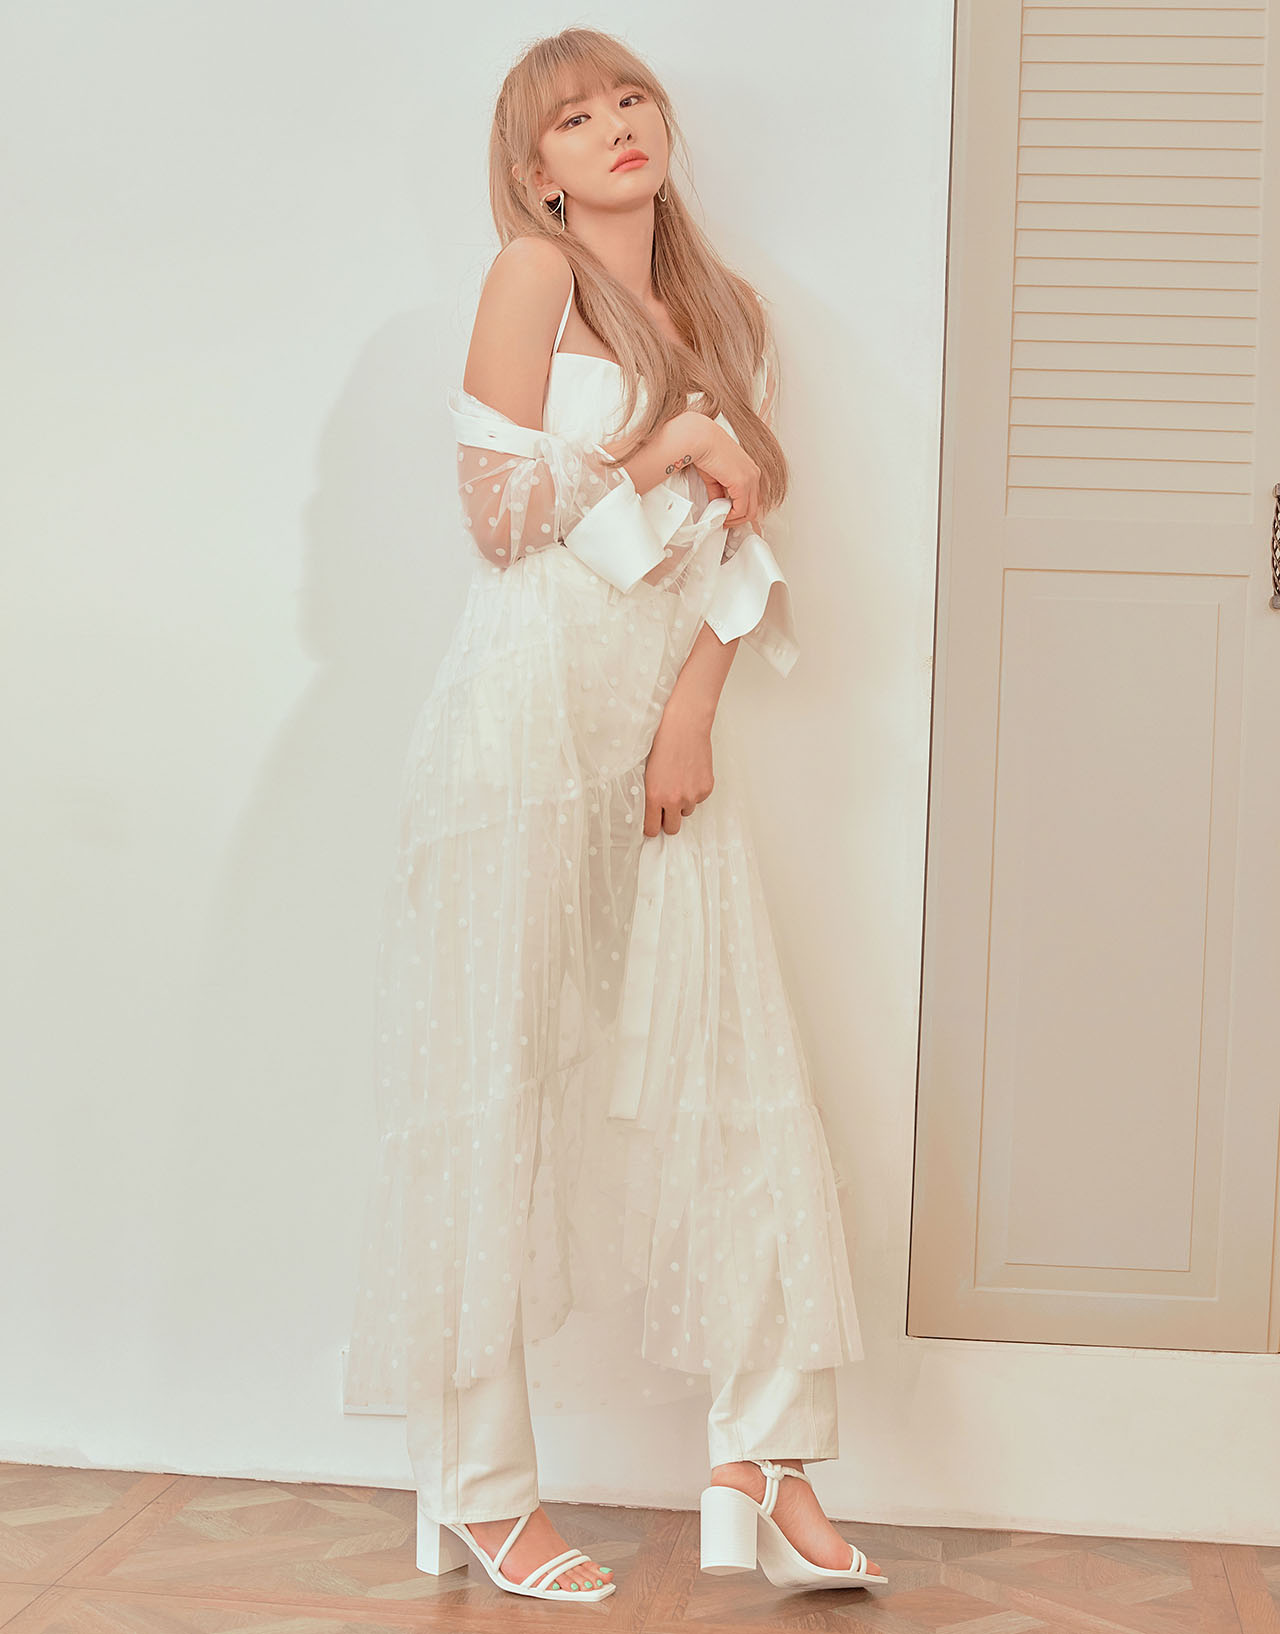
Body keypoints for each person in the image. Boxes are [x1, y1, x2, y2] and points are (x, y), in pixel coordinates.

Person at [344, 25, 884, 1603]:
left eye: (630, 99)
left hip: (654, 729)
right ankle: (481, 1491)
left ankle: (766, 1460)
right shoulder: (532, 277)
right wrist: (672, 440)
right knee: (495, 1092)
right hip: (520, 722)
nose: (615, 127)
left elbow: (743, 547)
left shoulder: (728, 312)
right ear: (538, 172)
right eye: (574, 119)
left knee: (737, 1072)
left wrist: (694, 712)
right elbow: (500, 517)